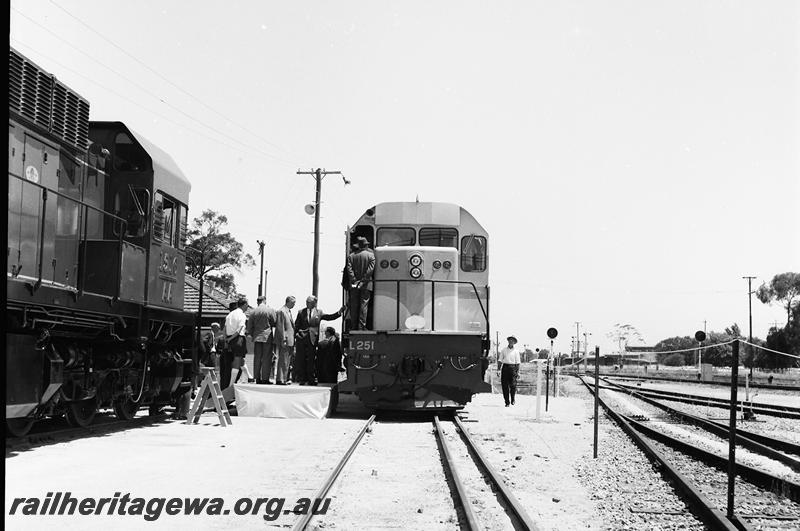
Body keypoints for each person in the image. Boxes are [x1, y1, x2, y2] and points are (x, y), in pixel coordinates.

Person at [293, 296, 344, 385]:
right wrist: (296, 335)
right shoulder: (301, 312)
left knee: (311, 360)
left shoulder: (319, 312)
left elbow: (329, 317)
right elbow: (296, 325)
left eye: (309, 302)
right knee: (301, 359)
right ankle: (302, 379)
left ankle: (311, 379)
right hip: (301, 339)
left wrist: (339, 312)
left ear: (314, 303)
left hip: (313, 339)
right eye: (306, 301)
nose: (307, 303)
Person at [346, 236, 375, 330]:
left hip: (354, 285)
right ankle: (361, 326)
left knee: (354, 305)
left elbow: (349, 269)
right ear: (366, 245)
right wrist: (363, 281)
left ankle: (354, 326)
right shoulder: (371, 256)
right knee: (364, 305)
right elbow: (370, 270)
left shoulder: (351, 256)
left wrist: (354, 280)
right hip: (366, 285)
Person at [246, 295, 277, 384]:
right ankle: (265, 378)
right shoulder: (269, 310)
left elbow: (249, 327)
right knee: (267, 358)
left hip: (257, 337)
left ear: (257, 302)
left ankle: (257, 378)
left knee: (257, 358)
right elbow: (274, 322)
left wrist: (254, 335)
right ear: (265, 301)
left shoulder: (253, 312)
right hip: (267, 336)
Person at [223, 298, 249, 389]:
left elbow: (225, 328)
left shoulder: (230, 314)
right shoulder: (242, 315)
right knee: (237, 361)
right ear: (244, 304)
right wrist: (231, 338)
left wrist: (226, 339)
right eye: (247, 305)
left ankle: (247, 377)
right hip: (238, 339)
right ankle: (231, 384)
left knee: (241, 359)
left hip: (230, 339)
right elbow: (239, 329)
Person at [274, 295, 296, 385]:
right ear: (288, 302)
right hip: (285, 340)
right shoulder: (281, 311)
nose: (294, 305)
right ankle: (280, 379)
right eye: (293, 303)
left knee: (287, 360)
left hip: (289, 339)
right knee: (283, 359)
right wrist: (283, 339)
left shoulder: (288, 312)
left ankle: (284, 378)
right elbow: (280, 326)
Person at [497, 335, 522, 407]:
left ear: (514, 342)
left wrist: (518, 372)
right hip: (505, 368)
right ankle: (507, 402)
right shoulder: (504, 350)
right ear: (508, 341)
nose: (511, 341)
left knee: (513, 385)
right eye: (510, 340)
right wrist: (498, 370)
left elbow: (518, 363)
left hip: (513, 368)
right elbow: (500, 360)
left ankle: (513, 398)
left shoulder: (516, 351)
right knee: (505, 386)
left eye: (513, 340)